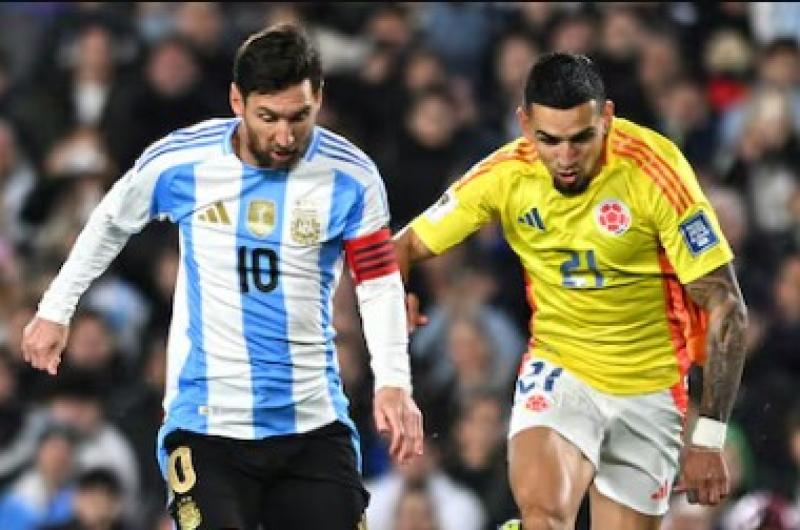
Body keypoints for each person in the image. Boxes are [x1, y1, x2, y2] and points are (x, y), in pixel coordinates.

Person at [21, 23, 423, 530]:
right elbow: (111, 221)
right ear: (237, 101)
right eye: (268, 117)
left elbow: (378, 282)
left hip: (312, 423)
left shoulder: (352, 177)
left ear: (318, 98)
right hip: (207, 424)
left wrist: (393, 382)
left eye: (299, 116)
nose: (285, 136)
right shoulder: (182, 160)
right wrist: (56, 310)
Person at [394, 52, 748, 530]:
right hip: (562, 369)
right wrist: (393, 292)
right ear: (525, 125)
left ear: (607, 117)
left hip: (650, 388)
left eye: (581, 137)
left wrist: (708, 437)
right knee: (543, 516)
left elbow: (727, 305)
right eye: (549, 140)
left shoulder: (654, 170)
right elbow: (402, 246)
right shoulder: (506, 175)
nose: (565, 156)